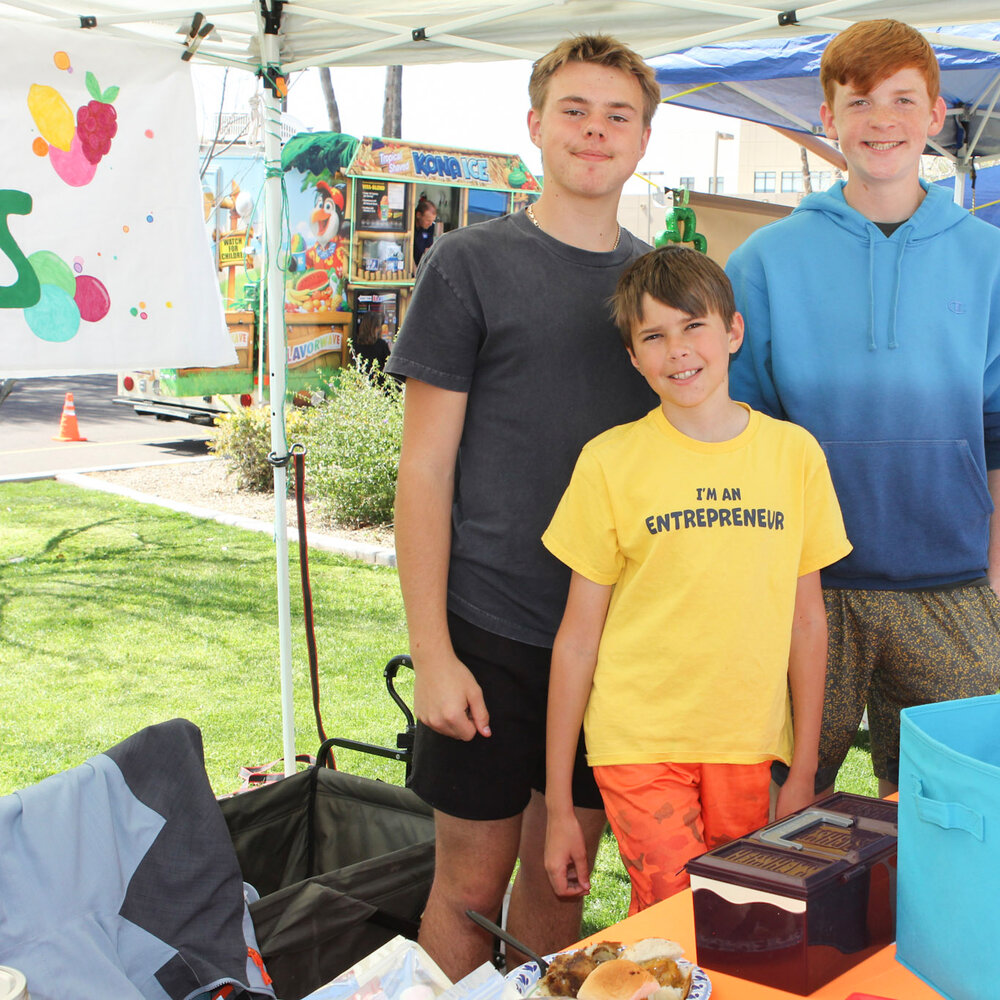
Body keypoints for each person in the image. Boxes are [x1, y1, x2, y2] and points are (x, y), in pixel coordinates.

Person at [384, 35, 659, 979]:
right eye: (575, 110)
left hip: (612, 646)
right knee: (468, 888)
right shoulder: (468, 265)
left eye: (618, 114)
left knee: (566, 886)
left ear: (644, 139)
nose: (595, 131)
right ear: (535, 126)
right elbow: (423, 472)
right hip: (489, 632)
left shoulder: (656, 288)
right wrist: (434, 653)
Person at [725, 19, 1000, 797]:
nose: (882, 120)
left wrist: (998, 592)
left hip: (953, 592)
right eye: (860, 100)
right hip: (807, 595)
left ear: (936, 114)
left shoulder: (996, 264)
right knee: (777, 820)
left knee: (950, 830)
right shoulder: (763, 263)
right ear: (827, 118)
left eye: (904, 99)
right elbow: (741, 441)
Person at [541, 246, 851, 914]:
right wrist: (560, 807)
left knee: (738, 915)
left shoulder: (794, 456)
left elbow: (808, 622)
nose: (677, 350)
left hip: (747, 740)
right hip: (639, 738)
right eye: (653, 335)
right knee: (676, 905)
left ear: (733, 331)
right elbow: (577, 640)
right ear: (633, 355)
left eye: (693, 326)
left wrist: (802, 771)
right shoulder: (609, 463)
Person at [413, 196, 439, 268]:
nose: (430, 224)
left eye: (432, 221)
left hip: (419, 262)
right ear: (418, 215)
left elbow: (428, 250)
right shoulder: (409, 224)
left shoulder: (430, 226)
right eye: (428, 220)